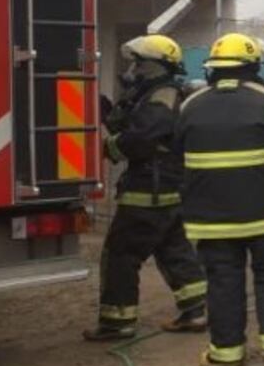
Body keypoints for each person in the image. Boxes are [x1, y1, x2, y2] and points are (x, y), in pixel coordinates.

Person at [174, 33, 264, 366]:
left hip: (210, 218)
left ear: (213, 68)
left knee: (222, 279)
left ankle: (226, 353)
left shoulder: (191, 105)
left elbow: (178, 153)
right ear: (253, 66)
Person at [83, 35, 206, 341]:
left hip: (149, 189)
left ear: (154, 65)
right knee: (173, 249)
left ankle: (117, 322)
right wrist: (101, 106)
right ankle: (197, 310)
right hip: (164, 187)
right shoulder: (151, 93)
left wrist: (108, 148)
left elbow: (143, 137)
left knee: (121, 254)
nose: (133, 68)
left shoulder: (163, 95)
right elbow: (127, 125)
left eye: (139, 62)